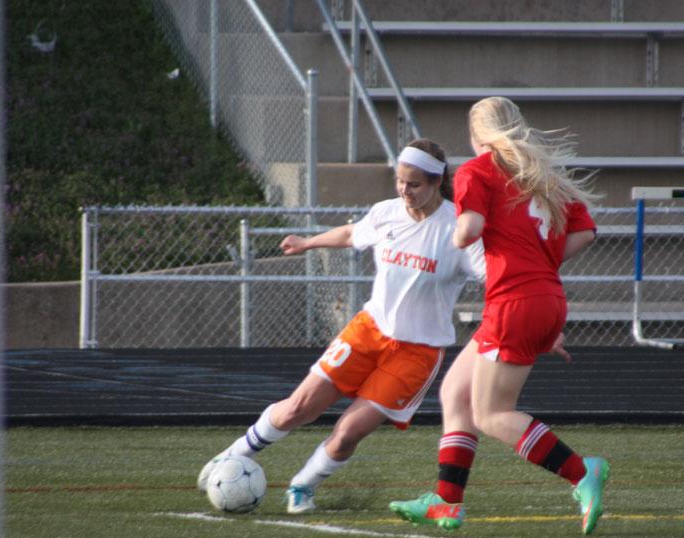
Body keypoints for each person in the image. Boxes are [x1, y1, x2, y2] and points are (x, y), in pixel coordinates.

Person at [197, 138, 486, 514]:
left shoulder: (457, 229)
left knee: (349, 432)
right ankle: (229, 458)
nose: (404, 190)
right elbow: (352, 234)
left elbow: (494, 276)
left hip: (417, 352)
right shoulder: (386, 212)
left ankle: (303, 486)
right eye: (400, 181)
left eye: (413, 184)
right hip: (367, 331)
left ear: (435, 183)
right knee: (296, 408)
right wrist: (308, 243)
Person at [389, 96, 609, 535]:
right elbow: (585, 231)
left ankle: (582, 471)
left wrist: (454, 234)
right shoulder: (541, 174)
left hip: (514, 301)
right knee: (455, 392)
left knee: (491, 414)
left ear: (478, 135)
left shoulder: (477, 170)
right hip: (543, 296)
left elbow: (467, 230)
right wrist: (539, 265)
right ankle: (446, 502)